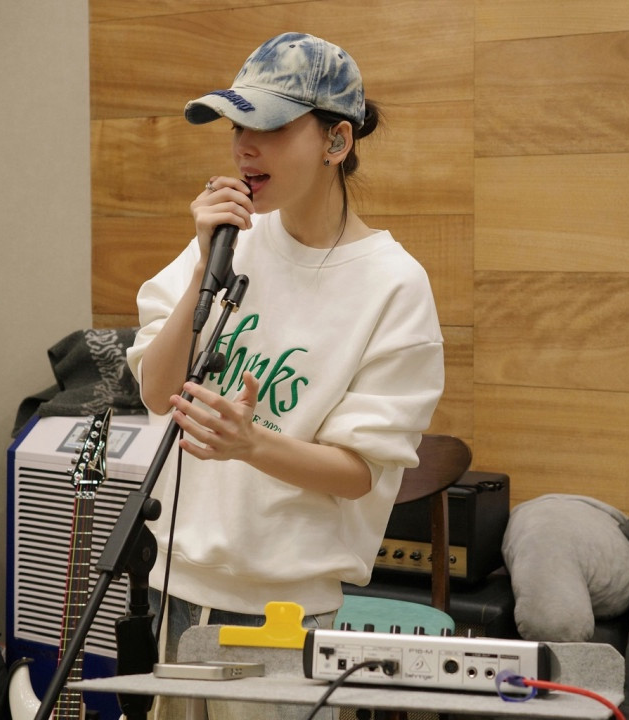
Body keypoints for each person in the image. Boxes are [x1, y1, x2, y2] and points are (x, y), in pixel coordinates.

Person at [126, 31, 444, 719]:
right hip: (171, 592)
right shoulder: (226, 241)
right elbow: (155, 390)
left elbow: (359, 472)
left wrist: (251, 444)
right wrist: (205, 262)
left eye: (269, 127)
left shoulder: (392, 284)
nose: (244, 147)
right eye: (237, 127)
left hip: (282, 617)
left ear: (337, 141)